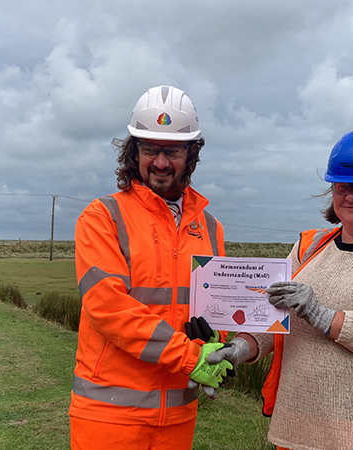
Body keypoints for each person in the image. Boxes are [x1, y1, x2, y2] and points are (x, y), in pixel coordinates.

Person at [209, 129, 353, 450]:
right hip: (298, 429)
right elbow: (275, 317)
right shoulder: (307, 247)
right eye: (341, 186)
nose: (350, 196)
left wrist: (323, 317)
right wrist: (242, 347)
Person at [69, 85, 233, 450]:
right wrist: (190, 356)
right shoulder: (103, 217)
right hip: (108, 415)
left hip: (178, 416)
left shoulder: (210, 228)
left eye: (172, 150)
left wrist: (214, 342)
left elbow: (217, 308)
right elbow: (107, 308)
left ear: (191, 153)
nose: (160, 162)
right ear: (133, 151)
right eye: (149, 149)